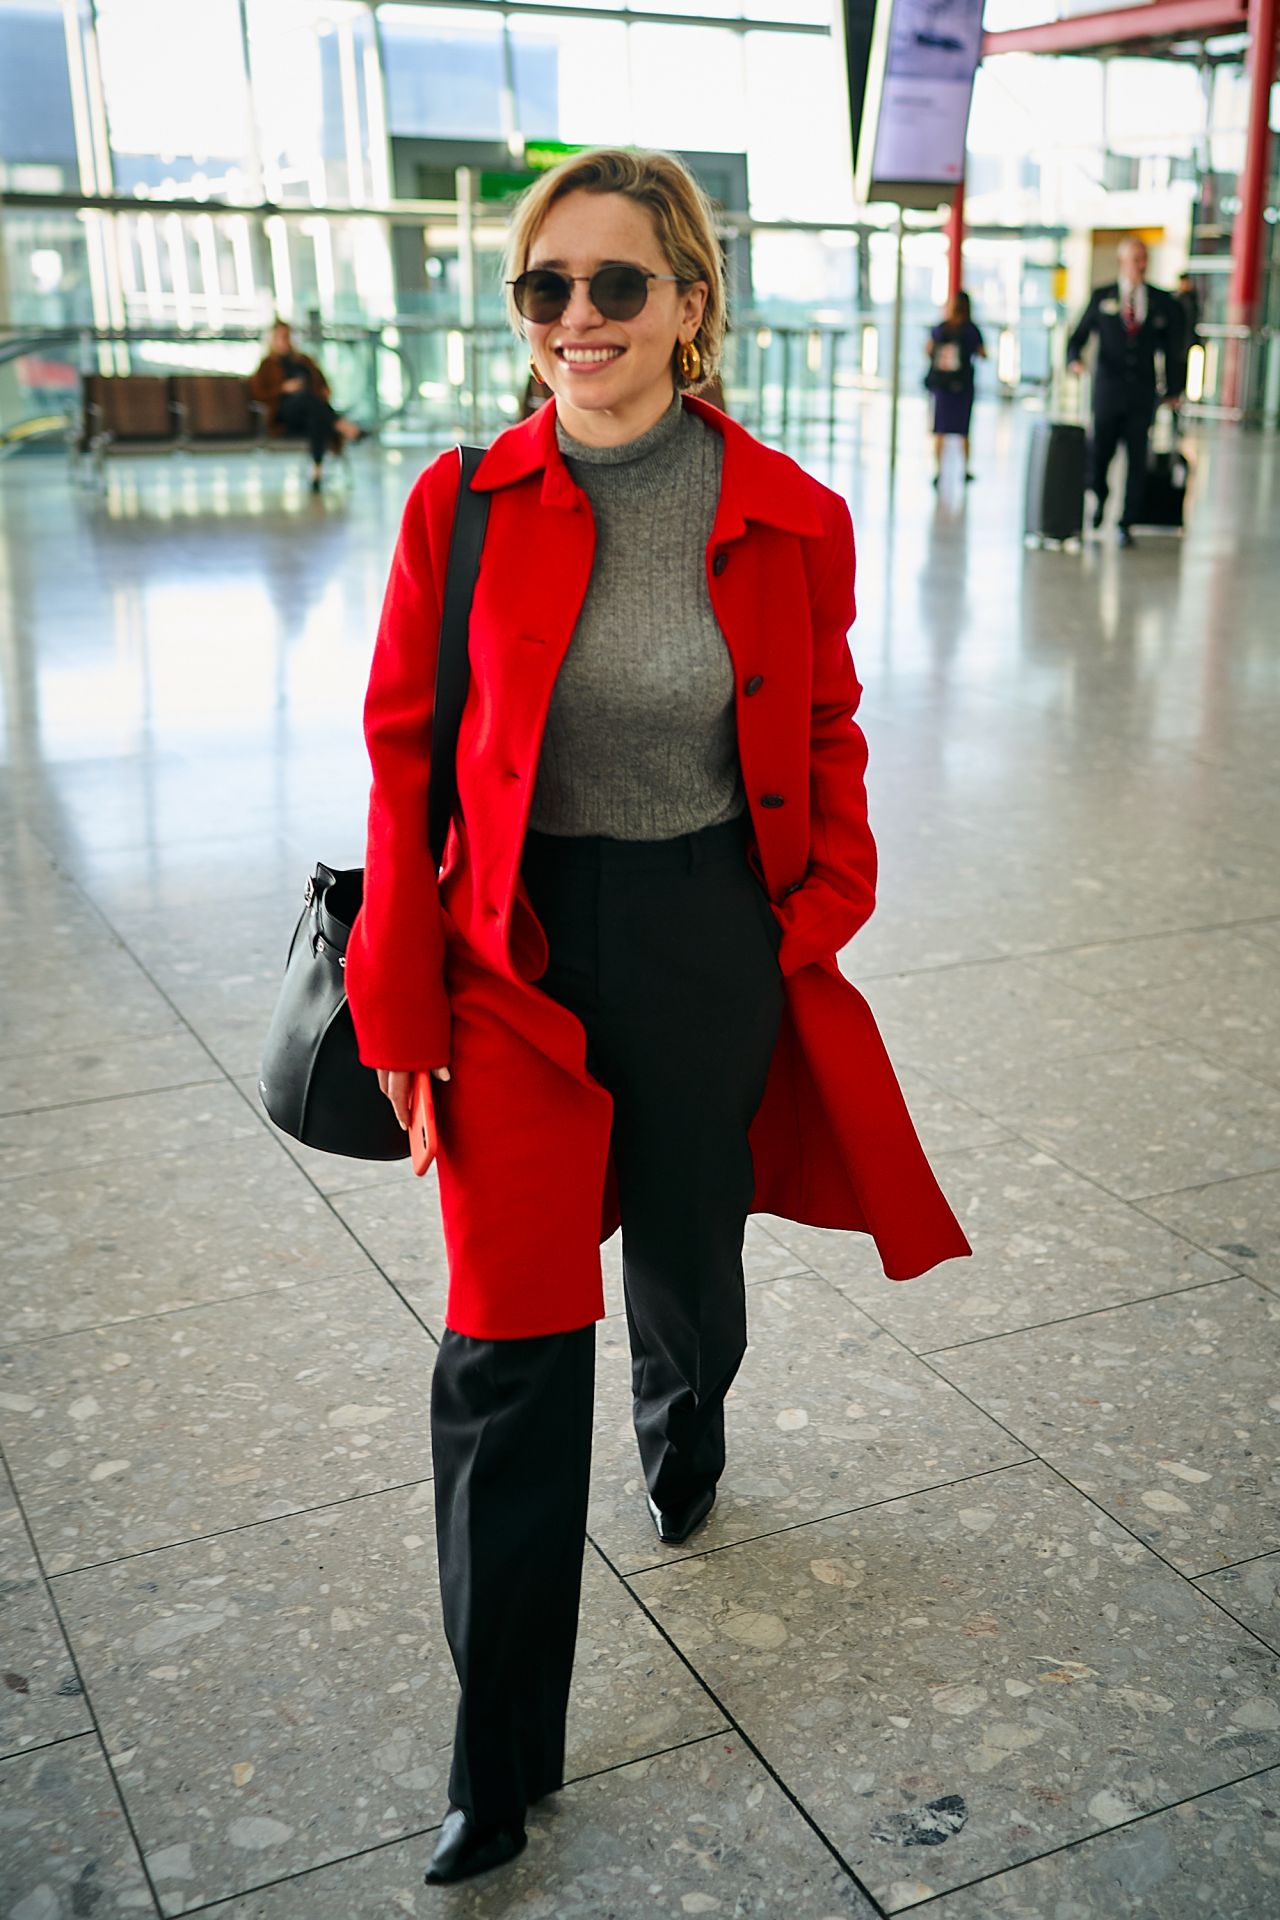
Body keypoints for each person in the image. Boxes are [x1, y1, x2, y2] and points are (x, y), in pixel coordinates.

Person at [343, 146, 970, 1889]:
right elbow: (403, 772)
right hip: (512, 964)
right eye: (547, 290)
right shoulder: (458, 506)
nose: (578, 321)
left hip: (708, 931)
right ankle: (499, 1751)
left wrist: (819, 906)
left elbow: (828, 724)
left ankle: (688, 1423)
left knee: (689, 1248)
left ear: (693, 305)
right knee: (505, 1346)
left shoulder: (784, 510)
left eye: (617, 286)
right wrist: (400, 1005)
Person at [1066, 236, 1186, 547]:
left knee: (1137, 457)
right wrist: (1074, 361)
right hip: (1107, 391)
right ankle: (1100, 495)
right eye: (1135, 259)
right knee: (1100, 452)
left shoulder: (1162, 302)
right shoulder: (1102, 297)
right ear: (1122, 262)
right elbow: (1076, 338)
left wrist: (1174, 390)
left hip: (1142, 393)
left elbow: (1173, 350)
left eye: (1144, 259)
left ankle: (1127, 521)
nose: (1141, 265)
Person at [249, 319, 362, 493]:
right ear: (272, 339)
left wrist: (321, 391)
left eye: (287, 336)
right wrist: (283, 389)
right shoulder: (267, 365)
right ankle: (342, 425)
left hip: (310, 414)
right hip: (285, 415)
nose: (285, 341)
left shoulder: (305, 361)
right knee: (305, 399)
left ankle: (317, 473)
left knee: (315, 416)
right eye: (280, 337)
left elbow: (323, 385)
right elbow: (257, 394)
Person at [925, 290, 986, 485]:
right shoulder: (971, 330)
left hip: (942, 386)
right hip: (963, 386)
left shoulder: (941, 328)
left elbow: (928, 350)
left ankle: (938, 470)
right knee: (963, 430)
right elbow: (983, 353)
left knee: (940, 429)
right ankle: (965, 469)